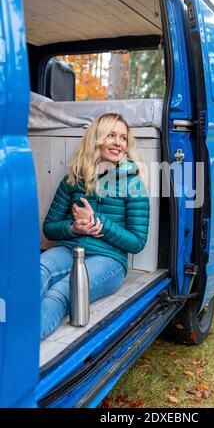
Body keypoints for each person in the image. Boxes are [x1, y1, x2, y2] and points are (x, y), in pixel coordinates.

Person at [40, 113, 150, 340]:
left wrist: (98, 223)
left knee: (60, 292)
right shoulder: (74, 179)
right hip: (69, 250)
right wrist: (73, 228)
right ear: (97, 139)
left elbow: (137, 242)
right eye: (111, 135)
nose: (118, 143)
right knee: (37, 270)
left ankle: (17, 346)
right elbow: (49, 227)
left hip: (109, 260)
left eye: (123, 137)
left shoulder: (133, 184)